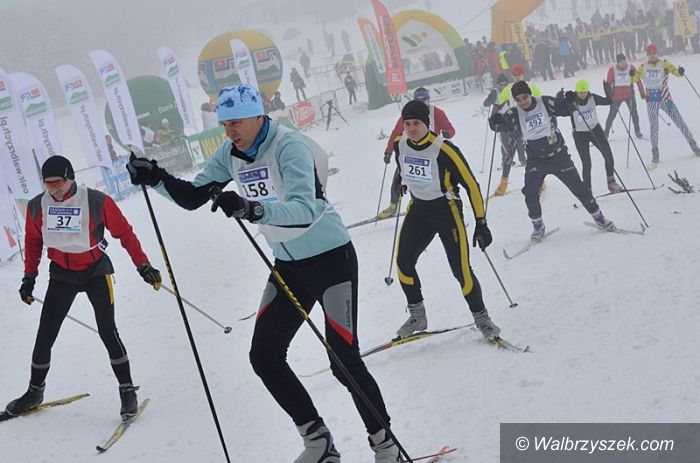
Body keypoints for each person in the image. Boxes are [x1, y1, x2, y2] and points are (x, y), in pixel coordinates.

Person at [126, 84, 400, 462]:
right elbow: (193, 197)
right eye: (224, 124)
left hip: (331, 261)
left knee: (343, 361)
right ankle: (319, 443)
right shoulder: (231, 152)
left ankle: (386, 447)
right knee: (264, 356)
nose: (229, 132)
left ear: (258, 115)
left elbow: (306, 208)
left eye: (236, 122)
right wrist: (155, 176)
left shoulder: (289, 146)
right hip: (289, 267)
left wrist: (252, 209)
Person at [5, 155, 162, 420]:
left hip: (95, 271)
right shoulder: (36, 207)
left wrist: (143, 266)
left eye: (58, 183)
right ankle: (34, 392)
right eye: (48, 184)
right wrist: (29, 278)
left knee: (107, 331)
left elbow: (124, 233)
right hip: (62, 274)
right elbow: (33, 242)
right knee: (45, 335)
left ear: (71, 178)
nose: (54, 189)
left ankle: (127, 390)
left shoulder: (96, 201)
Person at [390, 100, 500, 341]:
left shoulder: (445, 149)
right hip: (418, 210)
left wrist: (481, 223)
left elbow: (471, 185)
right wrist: (402, 181)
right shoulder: (400, 144)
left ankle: (482, 318)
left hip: (446, 211)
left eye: (416, 123)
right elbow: (402, 164)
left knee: (460, 269)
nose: (411, 128)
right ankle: (417, 315)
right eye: (407, 124)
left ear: (426, 124)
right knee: (403, 262)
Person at [489, 81, 616, 239]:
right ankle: (538, 225)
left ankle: (599, 217)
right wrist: (495, 121)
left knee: (579, 188)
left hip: (558, 155)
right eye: (518, 99)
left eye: (525, 97)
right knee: (530, 193)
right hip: (536, 160)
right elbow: (501, 125)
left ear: (530, 95)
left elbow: (565, 108)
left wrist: (571, 100)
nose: (523, 101)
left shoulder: (544, 102)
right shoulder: (514, 113)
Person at [378, 87, 455, 219]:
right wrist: (389, 151)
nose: (422, 103)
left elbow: (450, 129)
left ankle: (450, 204)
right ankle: (393, 205)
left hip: (433, 154)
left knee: (442, 181)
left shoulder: (437, 113)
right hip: (412, 153)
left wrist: (447, 133)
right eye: (418, 101)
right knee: (399, 177)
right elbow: (396, 133)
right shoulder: (408, 114)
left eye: (424, 100)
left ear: (428, 100)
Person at [631, 43, 700, 165]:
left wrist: (680, 71)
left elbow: (676, 72)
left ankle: (694, 145)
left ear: (658, 53)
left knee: (680, 121)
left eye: (654, 53)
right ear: (647, 55)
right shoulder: (643, 67)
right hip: (651, 101)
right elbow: (634, 79)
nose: (652, 55)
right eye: (650, 54)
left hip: (666, 99)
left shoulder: (665, 63)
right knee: (654, 126)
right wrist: (631, 75)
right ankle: (655, 151)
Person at [560, 79, 623, 193]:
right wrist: (560, 99)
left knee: (608, 155)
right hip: (580, 135)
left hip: (595, 131)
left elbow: (608, 101)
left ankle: (611, 181)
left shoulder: (592, 98)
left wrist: (608, 92)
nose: (583, 95)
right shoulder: (572, 102)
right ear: (576, 92)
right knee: (586, 163)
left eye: (584, 92)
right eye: (580, 92)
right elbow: (560, 110)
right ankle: (587, 187)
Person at [491, 64, 542, 196]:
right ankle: (503, 184)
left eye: (519, 75)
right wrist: (494, 116)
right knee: (509, 155)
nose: (517, 77)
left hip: (531, 126)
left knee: (536, 154)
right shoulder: (508, 89)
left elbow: (541, 104)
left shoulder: (532, 87)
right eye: (514, 75)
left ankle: (540, 180)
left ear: (524, 74)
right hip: (515, 125)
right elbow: (498, 104)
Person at [604, 53, 644, 139]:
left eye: (624, 61)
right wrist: (608, 94)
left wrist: (642, 92)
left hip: (629, 95)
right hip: (616, 97)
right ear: (617, 63)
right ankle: (606, 133)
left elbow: (638, 81)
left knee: (634, 113)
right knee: (612, 114)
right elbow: (608, 83)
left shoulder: (631, 68)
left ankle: (637, 130)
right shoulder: (612, 70)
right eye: (621, 62)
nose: (623, 64)